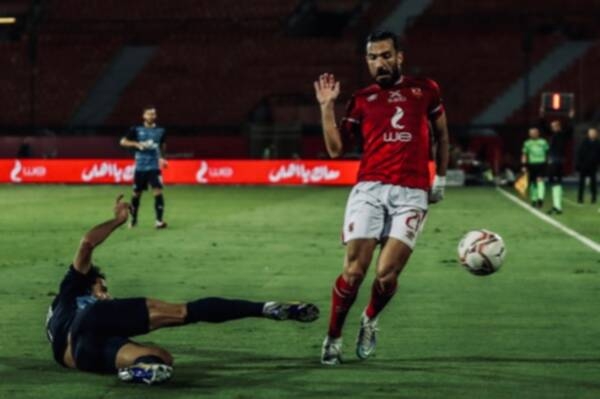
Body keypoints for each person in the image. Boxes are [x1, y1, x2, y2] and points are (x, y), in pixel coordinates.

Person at [45, 195, 319, 384]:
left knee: (161, 360)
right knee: (182, 312)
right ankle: (265, 309)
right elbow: (86, 244)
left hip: (82, 357)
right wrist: (118, 220)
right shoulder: (72, 291)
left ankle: (135, 373)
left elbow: (67, 346)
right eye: (101, 287)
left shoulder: (62, 324)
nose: (105, 292)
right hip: (88, 326)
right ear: (88, 282)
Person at [313, 30, 449, 365]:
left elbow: (442, 135)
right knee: (354, 272)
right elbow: (334, 150)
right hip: (370, 189)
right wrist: (327, 107)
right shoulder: (360, 100)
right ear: (367, 61)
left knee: (387, 274)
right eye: (373, 57)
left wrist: (441, 178)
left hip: (412, 192)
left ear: (399, 56)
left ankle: (370, 319)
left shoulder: (426, 90)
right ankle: (333, 337)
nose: (380, 63)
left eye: (386, 55)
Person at [120, 106, 168, 229]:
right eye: (148, 114)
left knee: (158, 191)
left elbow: (162, 145)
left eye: (153, 114)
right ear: (144, 116)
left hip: (154, 166)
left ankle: (159, 221)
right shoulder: (136, 129)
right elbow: (123, 141)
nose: (151, 116)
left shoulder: (161, 131)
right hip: (140, 167)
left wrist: (162, 158)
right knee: (136, 194)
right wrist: (137, 144)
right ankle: (134, 220)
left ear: (155, 116)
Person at [546, 119, 571, 214]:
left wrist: (570, 118)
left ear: (559, 126)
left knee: (555, 182)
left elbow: (569, 128)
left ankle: (557, 206)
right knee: (554, 182)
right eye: (552, 126)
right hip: (554, 160)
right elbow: (544, 128)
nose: (553, 128)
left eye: (555, 126)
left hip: (556, 160)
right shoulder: (553, 135)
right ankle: (557, 206)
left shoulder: (562, 134)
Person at [521, 127, 549, 208]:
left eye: (534, 132)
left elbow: (547, 152)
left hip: (541, 164)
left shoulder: (543, 142)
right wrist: (523, 165)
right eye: (530, 133)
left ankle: (540, 199)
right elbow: (524, 154)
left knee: (540, 180)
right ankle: (534, 199)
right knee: (533, 183)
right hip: (531, 165)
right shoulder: (527, 143)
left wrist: (548, 163)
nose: (532, 134)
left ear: (538, 133)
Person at [576, 127, 600, 203]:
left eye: (593, 133)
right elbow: (579, 154)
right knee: (581, 183)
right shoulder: (583, 142)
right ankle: (580, 198)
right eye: (591, 132)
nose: (592, 134)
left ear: (596, 134)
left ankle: (593, 198)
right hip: (584, 166)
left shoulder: (598, 143)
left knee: (593, 184)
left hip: (593, 166)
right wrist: (579, 165)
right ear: (588, 134)